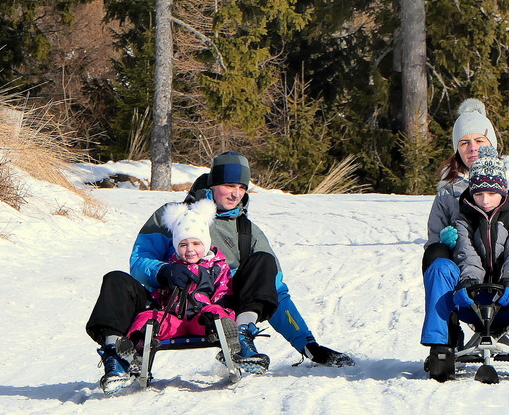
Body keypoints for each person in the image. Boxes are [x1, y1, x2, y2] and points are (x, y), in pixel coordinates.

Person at [86, 152, 354, 395]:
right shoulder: (171, 216)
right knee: (116, 280)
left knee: (263, 262)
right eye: (229, 185)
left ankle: (242, 336)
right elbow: (139, 261)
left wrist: (308, 345)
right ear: (211, 184)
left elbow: (276, 292)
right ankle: (117, 353)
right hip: (166, 303)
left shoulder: (248, 233)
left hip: (219, 307)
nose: (235, 193)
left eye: (241, 187)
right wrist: (163, 270)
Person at [423, 145, 509, 378]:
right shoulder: (463, 218)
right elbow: (466, 253)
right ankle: (442, 346)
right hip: (471, 299)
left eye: (492, 194)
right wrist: (468, 281)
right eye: (479, 194)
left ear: (503, 192)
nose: (485, 201)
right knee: (441, 267)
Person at [423, 98, 509, 303]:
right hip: (465, 272)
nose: (473, 148)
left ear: (491, 144)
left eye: (479, 140)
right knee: (435, 254)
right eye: (464, 142)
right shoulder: (448, 192)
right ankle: (449, 330)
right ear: (457, 149)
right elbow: (433, 241)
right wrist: (443, 243)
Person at [125, 199, 238, 351]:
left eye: (196, 244)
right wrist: (154, 304)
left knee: (215, 313)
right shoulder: (172, 267)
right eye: (183, 245)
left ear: (206, 244)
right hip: (172, 319)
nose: (190, 249)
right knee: (148, 317)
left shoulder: (216, 266)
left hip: (200, 317)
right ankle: (133, 346)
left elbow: (223, 289)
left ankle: (225, 333)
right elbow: (159, 292)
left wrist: (222, 306)